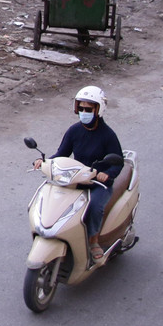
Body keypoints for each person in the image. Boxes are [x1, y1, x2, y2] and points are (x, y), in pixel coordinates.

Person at [51, 86, 123, 260]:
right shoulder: (74, 131)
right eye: (81, 108)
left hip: (99, 184)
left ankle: (93, 240)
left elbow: (118, 162)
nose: (84, 112)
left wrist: (107, 174)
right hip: (76, 179)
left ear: (98, 110)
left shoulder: (108, 135)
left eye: (88, 109)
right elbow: (62, 153)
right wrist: (45, 162)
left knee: (95, 207)